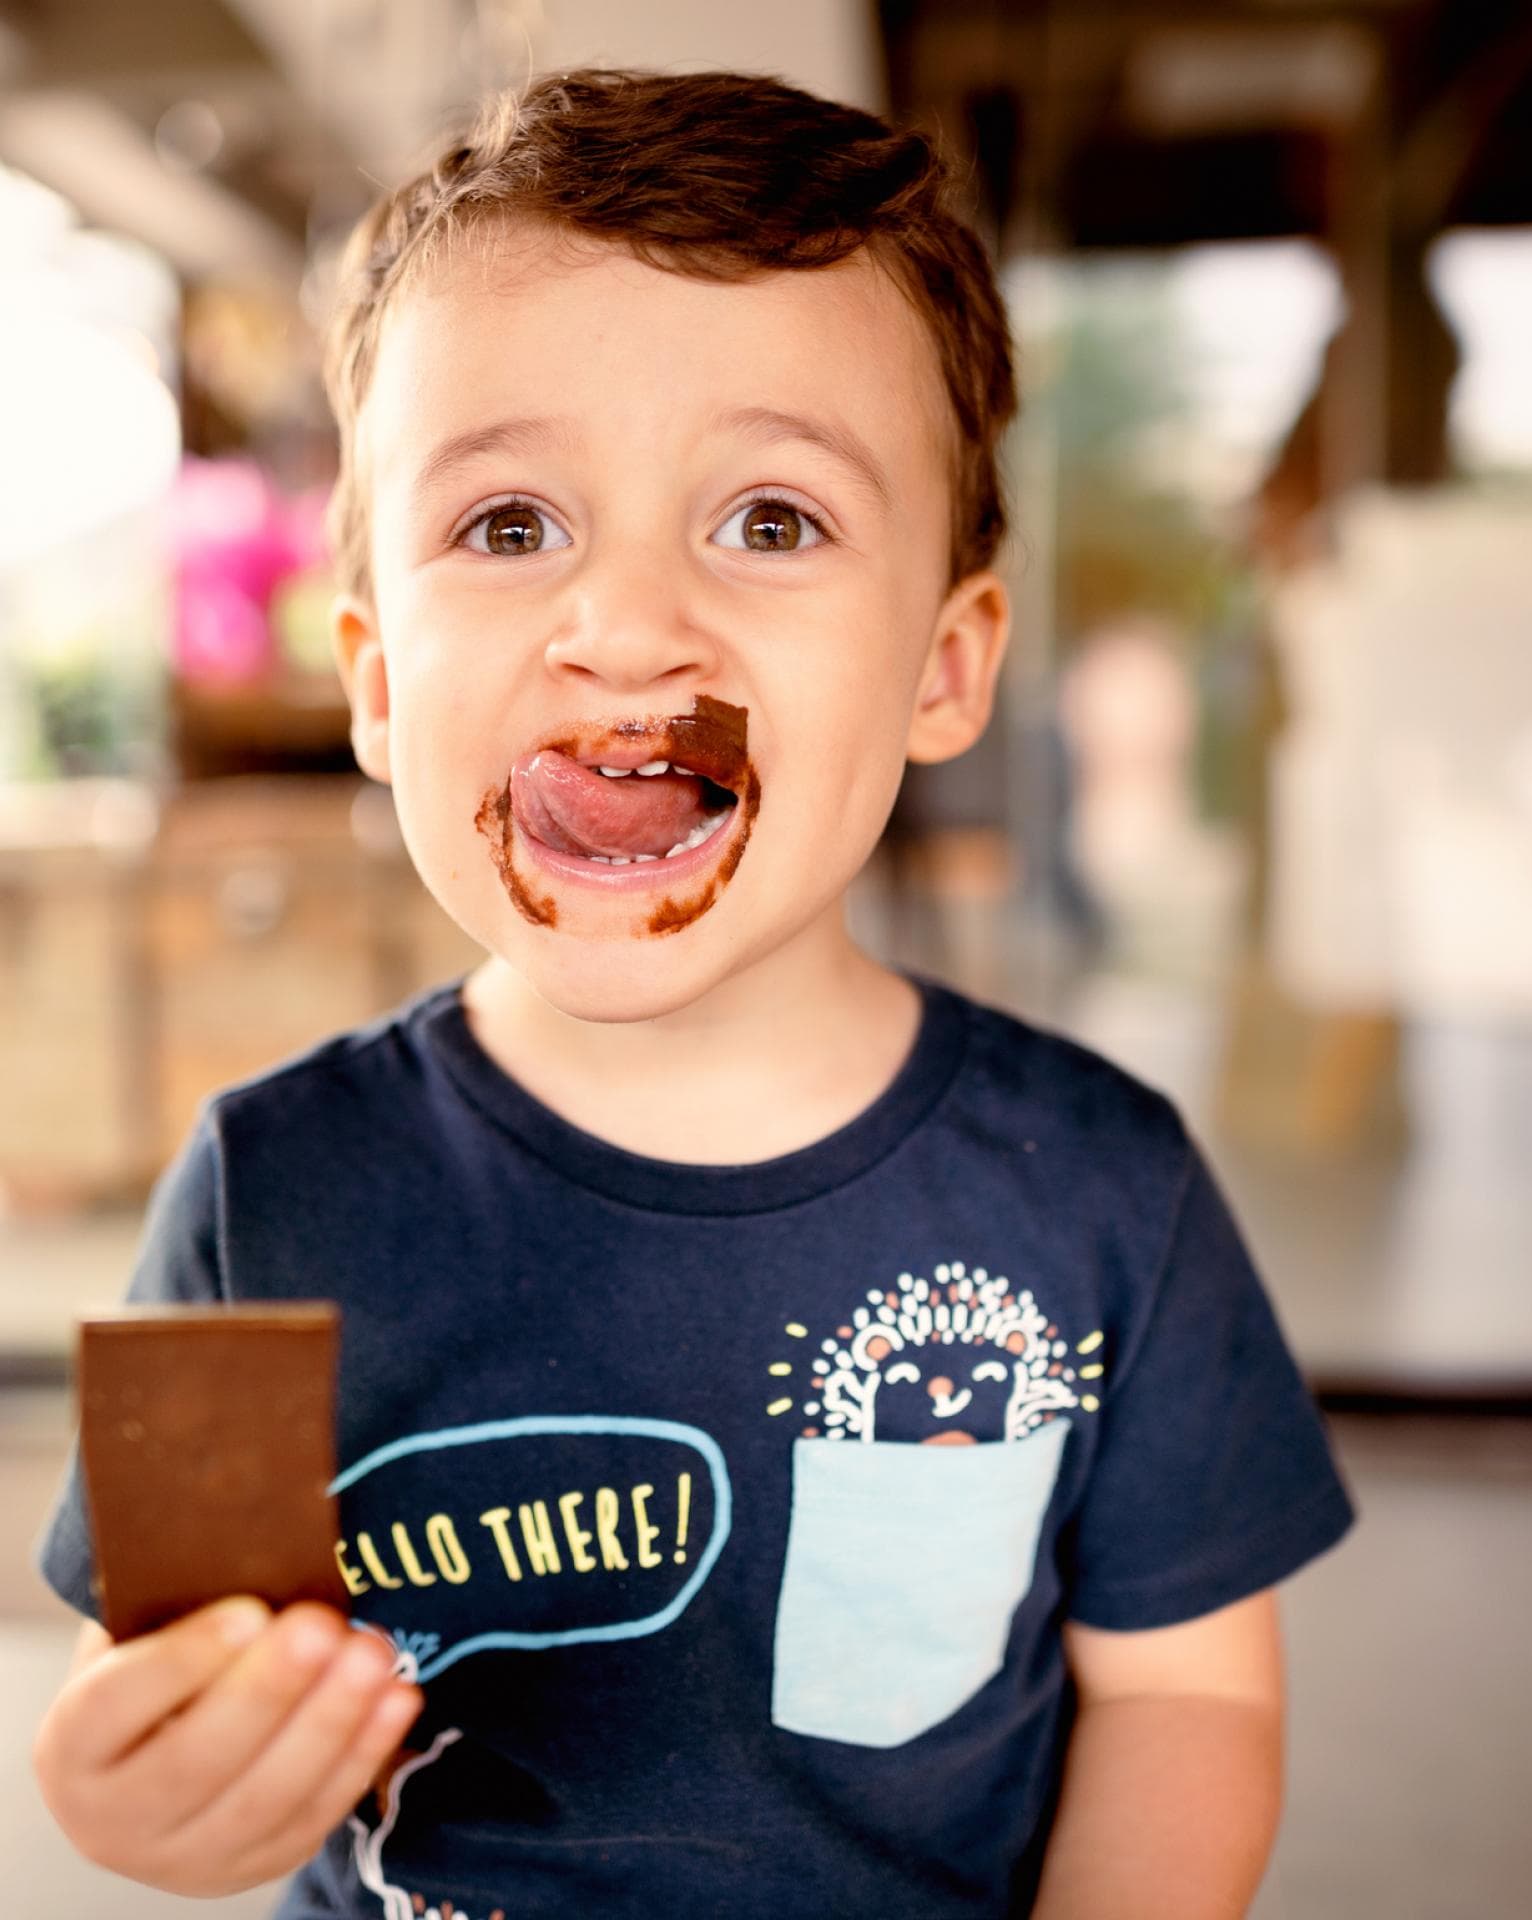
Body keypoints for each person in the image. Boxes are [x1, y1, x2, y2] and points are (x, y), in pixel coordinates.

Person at [31, 69, 1355, 1920]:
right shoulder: (272, 1192)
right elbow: (172, 1676)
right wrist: (147, 1793)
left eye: (771, 521)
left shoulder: (1099, 1193)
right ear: (381, 686)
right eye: (509, 527)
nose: (631, 624)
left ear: (947, 666)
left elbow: (1188, 1695)